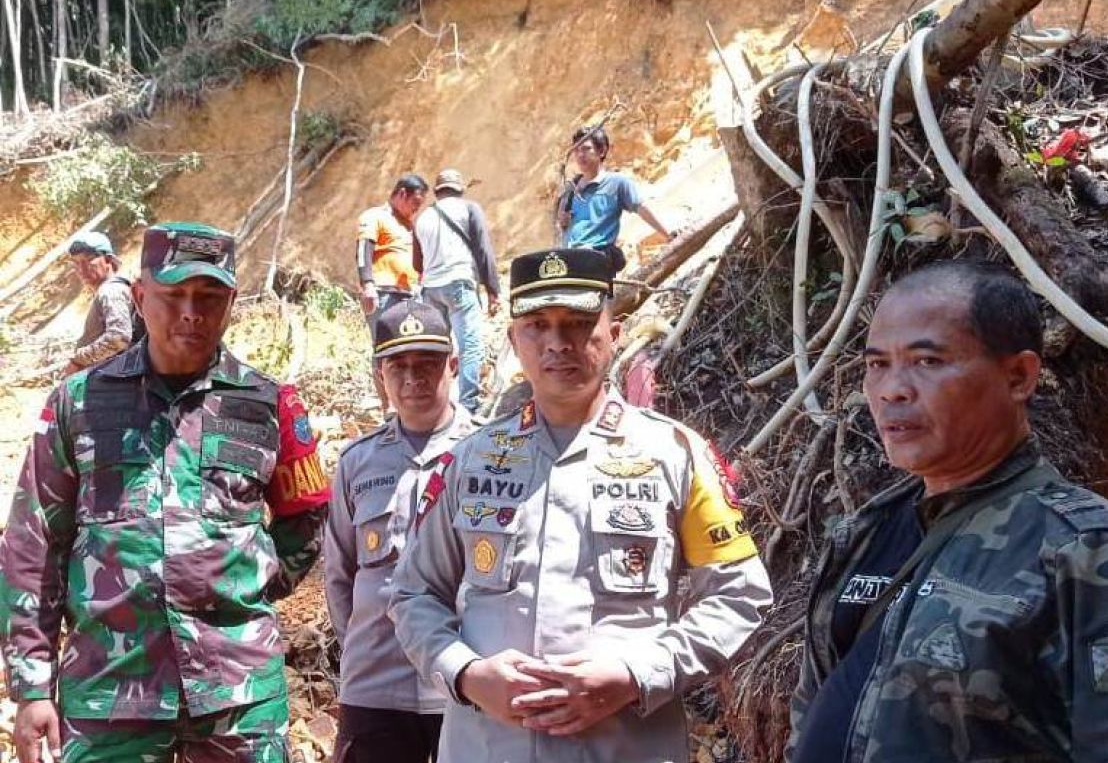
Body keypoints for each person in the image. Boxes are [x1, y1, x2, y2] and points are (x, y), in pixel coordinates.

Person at [785, 260, 1108, 763]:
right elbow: (812, 714)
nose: (892, 389)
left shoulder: (1091, 552)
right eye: (877, 365)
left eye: (927, 361)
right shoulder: (866, 535)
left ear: (1019, 376)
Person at [389, 247, 772, 762]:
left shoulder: (677, 455)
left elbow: (738, 594)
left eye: (578, 322)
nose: (558, 343)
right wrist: (466, 673)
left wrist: (636, 676)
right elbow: (413, 593)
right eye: (537, 325)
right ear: (513, 342)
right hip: (487, 747)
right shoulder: (470, 462)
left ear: (614, 333)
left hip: (626, 748)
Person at [0, 222, 332, 763]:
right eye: (173, 294)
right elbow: (32, 542)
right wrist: (32, 686)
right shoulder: (77, 402)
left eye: (209, 296)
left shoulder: (270, 403)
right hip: (109, 689)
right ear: (139, 296)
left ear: (232, 300)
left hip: (238, 692)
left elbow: (309, 513)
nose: (191, 313)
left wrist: (249, 581)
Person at [325, 299, 475, 763]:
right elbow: (339, 577)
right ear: (380, 376)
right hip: (376, 685)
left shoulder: (490, 455)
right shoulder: (357, 462)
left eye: (428, 363)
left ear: (453, 364)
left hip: (466, 685)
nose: (413, 379)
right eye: (398, 366)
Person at [413, 168, 502, 414]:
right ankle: (469, 404)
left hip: (430, 288)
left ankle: (436, 404)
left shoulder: (423, 218)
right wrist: (493, 290)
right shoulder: (469, 209)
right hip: (459, 284)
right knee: (470, 345)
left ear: (437, 191)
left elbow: (417, 265)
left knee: (438, 348)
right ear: (460, 189)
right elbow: (484, 251)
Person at [555, 126, 672, 274]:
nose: (580, 155)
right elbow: (564, 226)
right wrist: (562, 220)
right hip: (570, 262)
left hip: (597, 259)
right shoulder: (570, 190)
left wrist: (668, 235)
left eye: (586, 149)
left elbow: (642, 208)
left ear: (602, 151)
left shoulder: (616, 183)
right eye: (576, 150)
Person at [357, 174, 427, 407]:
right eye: (414, 203)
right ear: (402, 194)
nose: (416, 209)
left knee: (406, 347)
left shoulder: (409, 225)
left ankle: (404, 401)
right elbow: (362, 251)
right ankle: (387, 405)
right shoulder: (374, 216)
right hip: (383, 292)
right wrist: (367, 284)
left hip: (409, 293)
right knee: (384, 347)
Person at [64, 230, 136, 375]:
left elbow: (119, 337)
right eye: (77, 263)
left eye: (88, 260)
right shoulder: (111, 289)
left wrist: (78, 360)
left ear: (108, 260)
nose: (81, 269)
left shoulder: (110, 291)